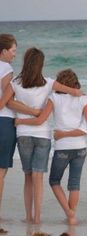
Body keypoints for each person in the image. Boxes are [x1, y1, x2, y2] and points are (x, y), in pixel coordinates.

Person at [15, 69, 87, 225]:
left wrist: (21, 121)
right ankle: (72, 216)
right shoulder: (83, 99)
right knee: (74, 184)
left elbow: (41, 119)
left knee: (54, 181)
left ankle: (69, 213)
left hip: (62, 148)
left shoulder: (54, 98)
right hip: (80, 148)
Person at [0, 47, 86, 224]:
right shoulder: (49, 82)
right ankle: (37, 218)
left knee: (28, 177)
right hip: (43, 136)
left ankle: (29, 216)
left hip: (23, 134)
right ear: (41, 65)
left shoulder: (15, 83)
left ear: (25, 62)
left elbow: (5, 102)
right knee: (39, 177)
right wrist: (79, 93)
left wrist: (23, 112)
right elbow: (70, 91)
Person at [0, 35, 40, 217]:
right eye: (13, 51)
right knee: (0, 171)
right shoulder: (6, 68)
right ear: (4, 51)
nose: (15, 55)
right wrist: (34, 112)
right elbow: (7, 101)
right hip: (4, 122)